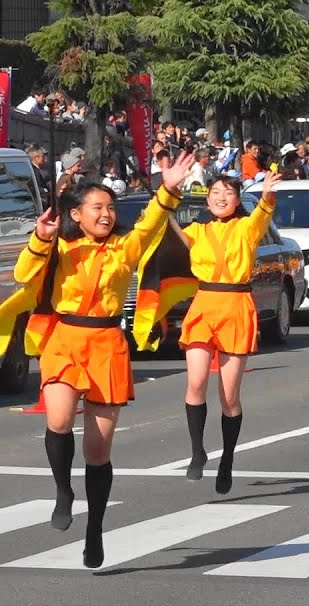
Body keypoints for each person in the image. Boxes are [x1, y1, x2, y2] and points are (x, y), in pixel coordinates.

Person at [0, 153, 195, 567]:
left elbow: (150, 224)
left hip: (108, 343)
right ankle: (62, 492)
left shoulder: (126, 248)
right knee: (57, 420)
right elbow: (22, 274)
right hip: (64, 340)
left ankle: (95, 529)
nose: (106, 214)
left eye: (109, 208)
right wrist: (41, 238)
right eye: (97, 208)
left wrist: (169, 187)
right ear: (77, 214)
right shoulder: (60, 247)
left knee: (98, 449)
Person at [176, 172, 280, 494]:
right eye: (215, 192)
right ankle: (197, 452)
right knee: (195, 382)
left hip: (236, 306)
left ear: (237, 199)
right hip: (204, 304)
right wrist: (162, 208)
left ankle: (228, 459)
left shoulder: (247, 228)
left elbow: (265, 211)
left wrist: (267, 195)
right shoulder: (196, 229)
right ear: (207, 199)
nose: (221, 197)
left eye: (228, 192)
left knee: (229, 396)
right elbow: (167, 239)